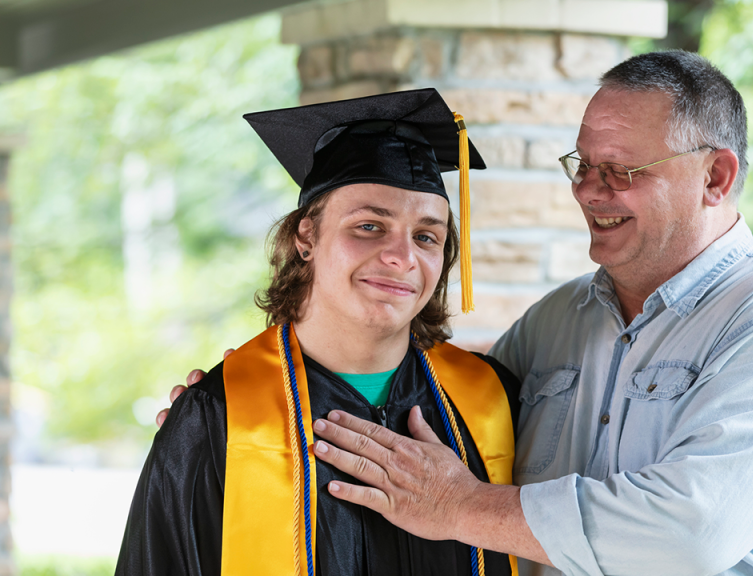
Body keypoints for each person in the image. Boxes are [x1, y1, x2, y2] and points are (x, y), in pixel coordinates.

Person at [168, 50, 753, 576]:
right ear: (306, 236)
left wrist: (460, 507)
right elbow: (447, 413)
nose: (589, 191)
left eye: (622, 170)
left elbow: (689, 534)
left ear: (716, 176)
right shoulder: (561, 320)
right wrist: (238, 413)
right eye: (581, 165)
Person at [118, 88, 520, 576]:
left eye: (426, 236)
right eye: (370, 226)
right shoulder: (221, 415)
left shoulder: (493, 399)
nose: (403, 256)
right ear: (306, 235)